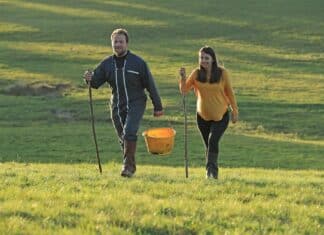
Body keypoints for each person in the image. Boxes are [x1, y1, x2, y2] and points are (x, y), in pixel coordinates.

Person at [84, 28, 163, 178]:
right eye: (115, 42)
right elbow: (94, 82)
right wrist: (88, 78)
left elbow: (150, 85)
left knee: (129, 132)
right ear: (111, 44)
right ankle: (130, 165)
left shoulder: (138, 63)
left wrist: (158, 106)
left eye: (121, 41)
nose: (118, 44)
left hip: (136, 103)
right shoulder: (107, 64)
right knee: (123, 138)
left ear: (127, 43)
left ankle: (127, 168)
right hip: (117, 105)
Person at [179, 46, 238, 179]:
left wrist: (235, 110)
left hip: (221, 116)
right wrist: (183, 78)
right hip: (202, 117)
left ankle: (211, 173)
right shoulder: (196, 73)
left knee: (212, 142)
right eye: (201, 58)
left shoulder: (222, 73)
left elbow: (230, 92)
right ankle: (211, 171)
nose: (203, 60)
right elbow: (184, 90)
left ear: (212, 59)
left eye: (206, 58)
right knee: (209, 145)